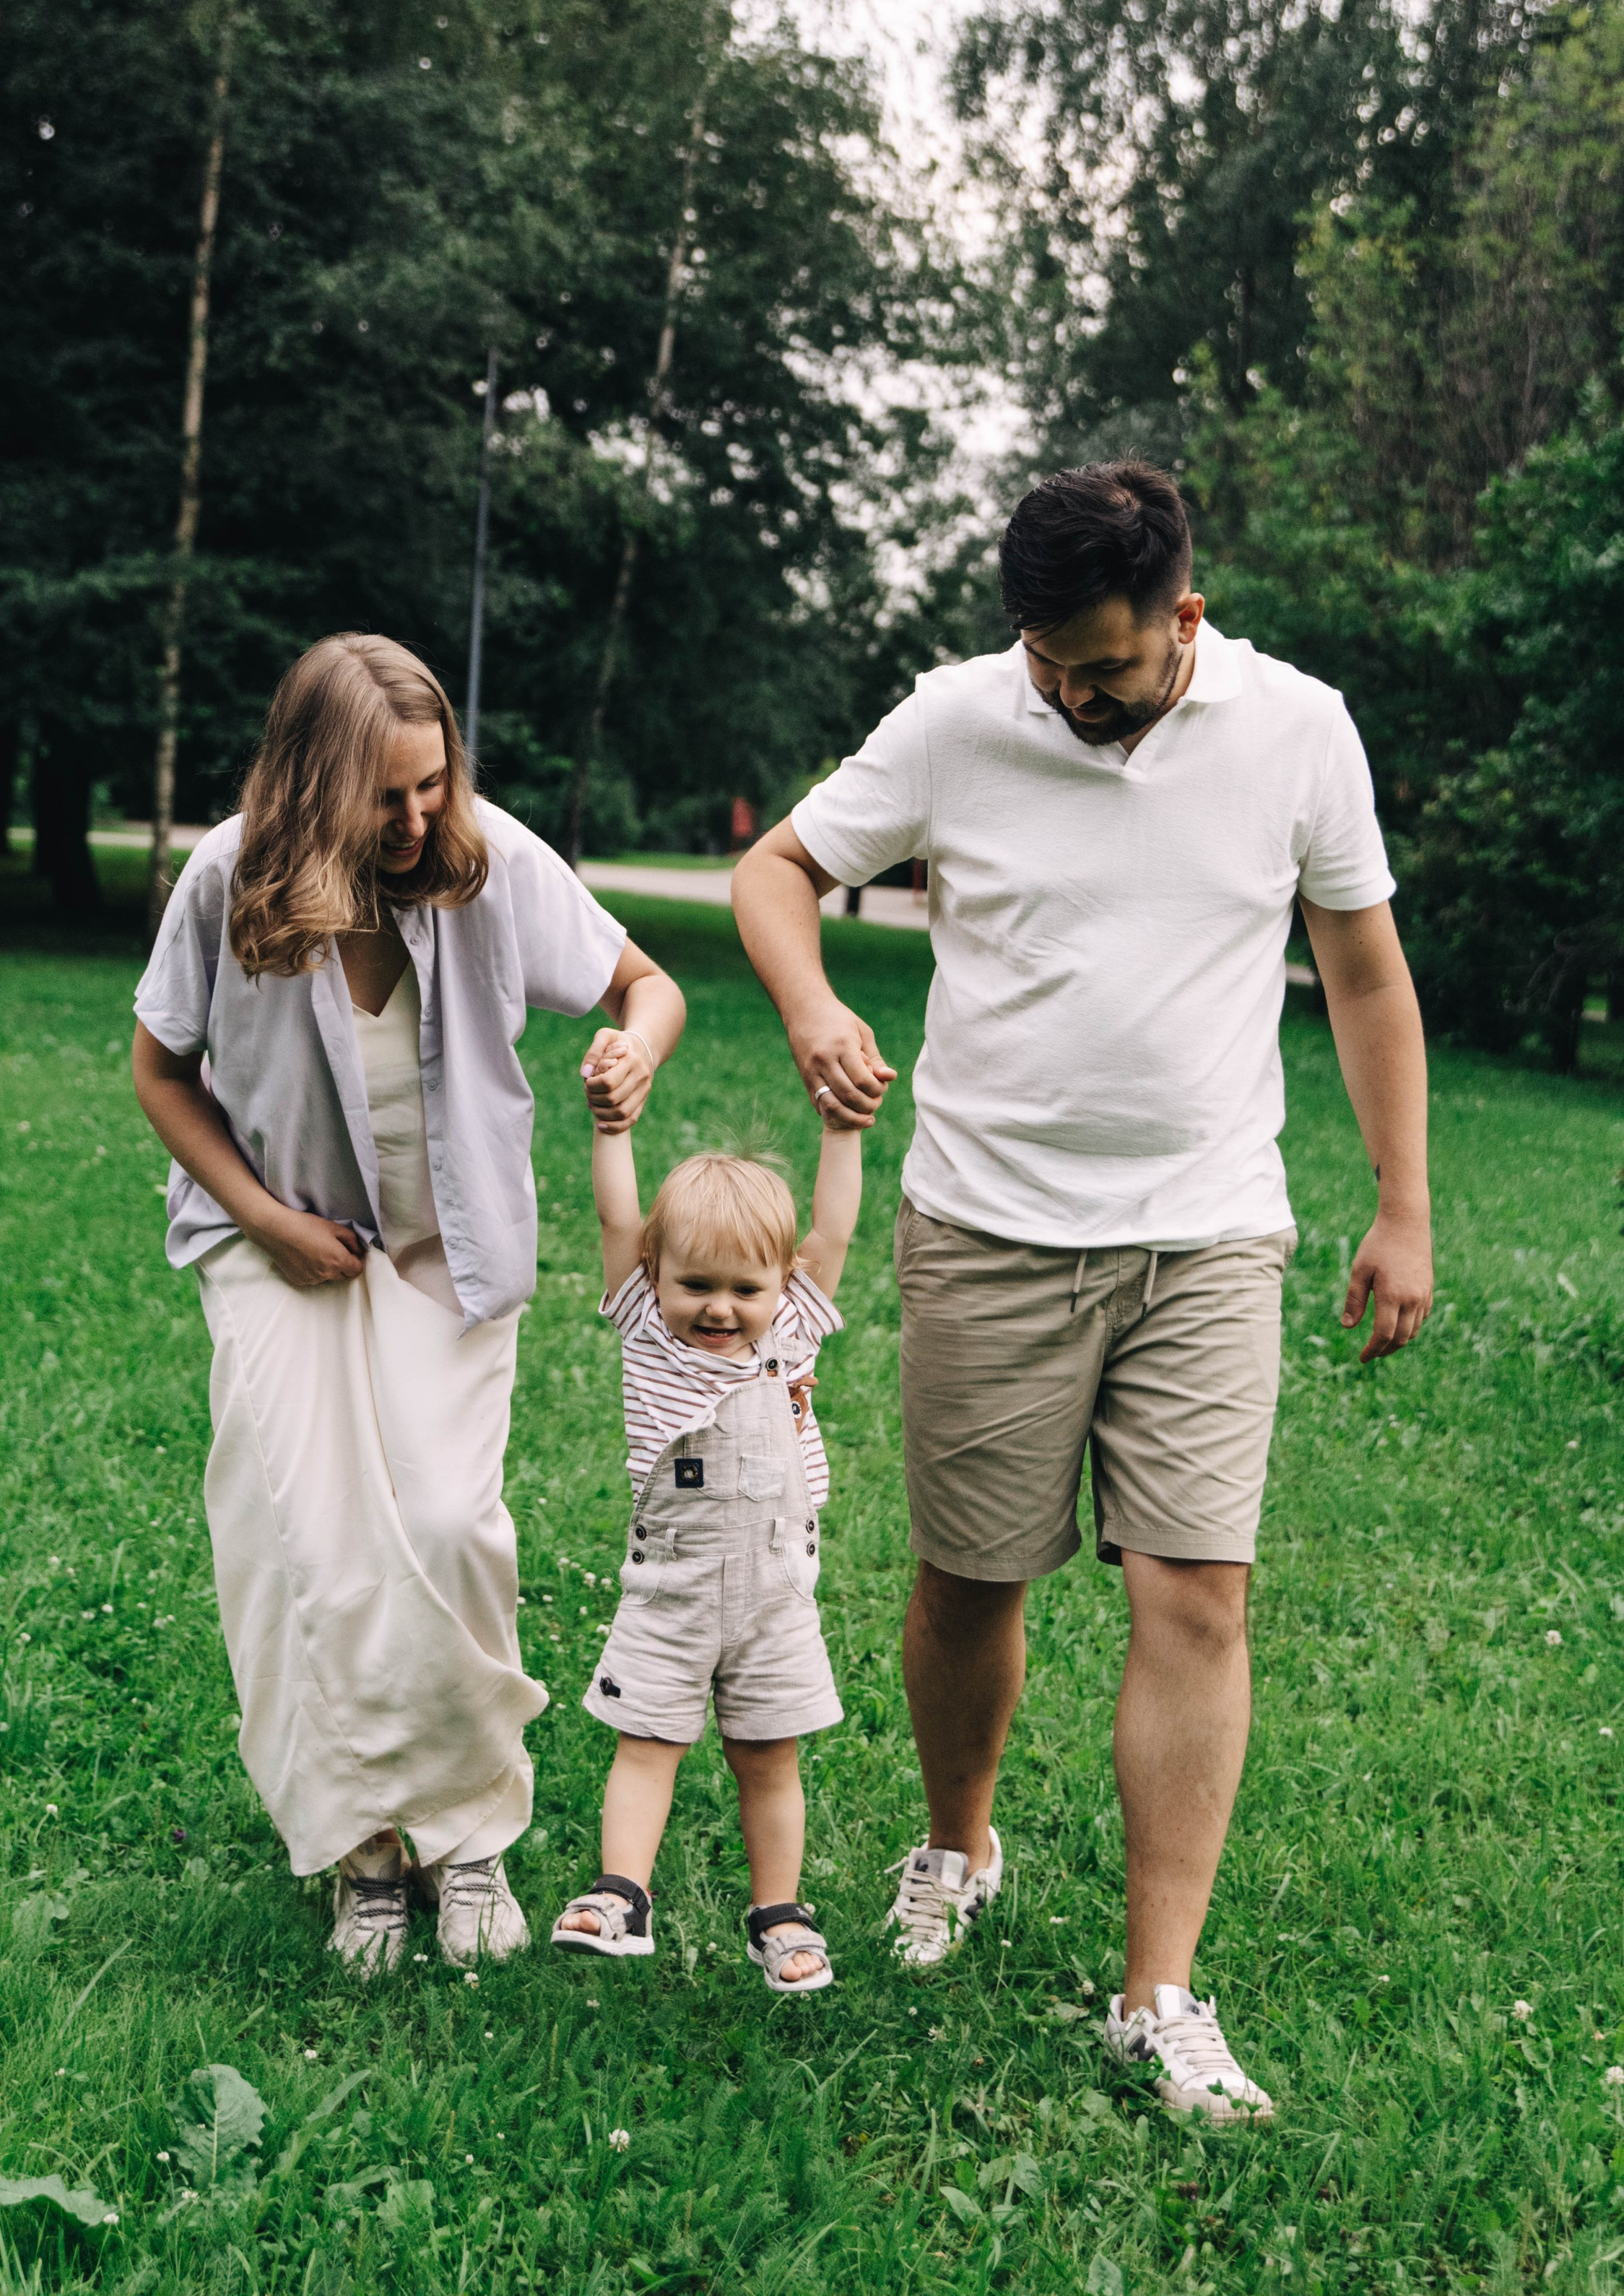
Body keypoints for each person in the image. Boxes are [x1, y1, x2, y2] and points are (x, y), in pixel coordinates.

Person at [731, 463, 1433, 2118]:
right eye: (1043, 657)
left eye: (1102, 665)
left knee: (1197, 1592)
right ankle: (954, 1840)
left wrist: (1401, 1202)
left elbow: (1360, 967)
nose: (1067, 691)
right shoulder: (956, 717)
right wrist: (811, 1006)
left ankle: (1156, 1990)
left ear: (1181, 616)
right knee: (971, 1580)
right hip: (983, 1221)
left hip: (1205, 1234)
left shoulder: (1295, 731)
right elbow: (775, 870)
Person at [130, 633, 685, 1974]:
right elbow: (158, 1072)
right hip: (282, 1251)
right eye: (387, 796)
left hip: (454, 1253)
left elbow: (646, 984)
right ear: (316, 787)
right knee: (313, 1551)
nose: (419, 816)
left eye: (433, 784)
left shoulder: (486, 857)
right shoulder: (227, 877)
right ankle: (366, 1853)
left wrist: (634, 1055)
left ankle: (469, 1832)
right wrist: (266, 1219)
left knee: (444, 1529)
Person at [548, 1117, 861, 1992]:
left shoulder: (790, 1331)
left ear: (782, 1286)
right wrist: (611, 1129)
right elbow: (617, 1221)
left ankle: (779, 1916)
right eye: (694, 1284)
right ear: (654, 1279)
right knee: (645, 1743)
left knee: (769, 1756)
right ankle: (620, 1895)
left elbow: (830, 1231)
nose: (719, 1308)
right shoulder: (649, 1331)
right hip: (670, 1594)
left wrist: (839, 1132)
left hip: (775, 1597)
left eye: (743, 1289)